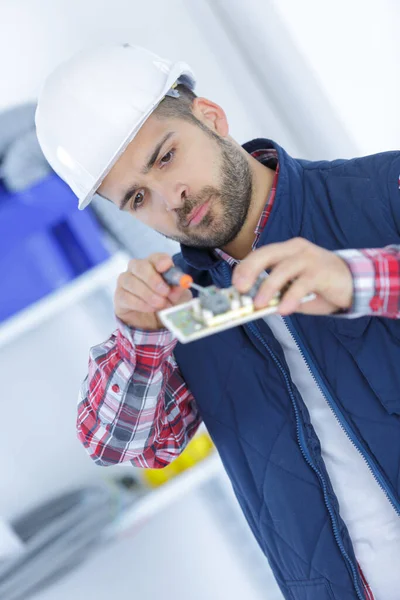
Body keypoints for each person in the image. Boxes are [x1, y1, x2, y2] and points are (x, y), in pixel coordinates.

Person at [36, 43, 400, 600]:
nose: (170, 198)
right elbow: (124, 446)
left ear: (211, 118)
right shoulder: (179, 310)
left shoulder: (381, 190)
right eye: (137, 197)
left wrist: (353, 281)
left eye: (165, 157)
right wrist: (141, 335)